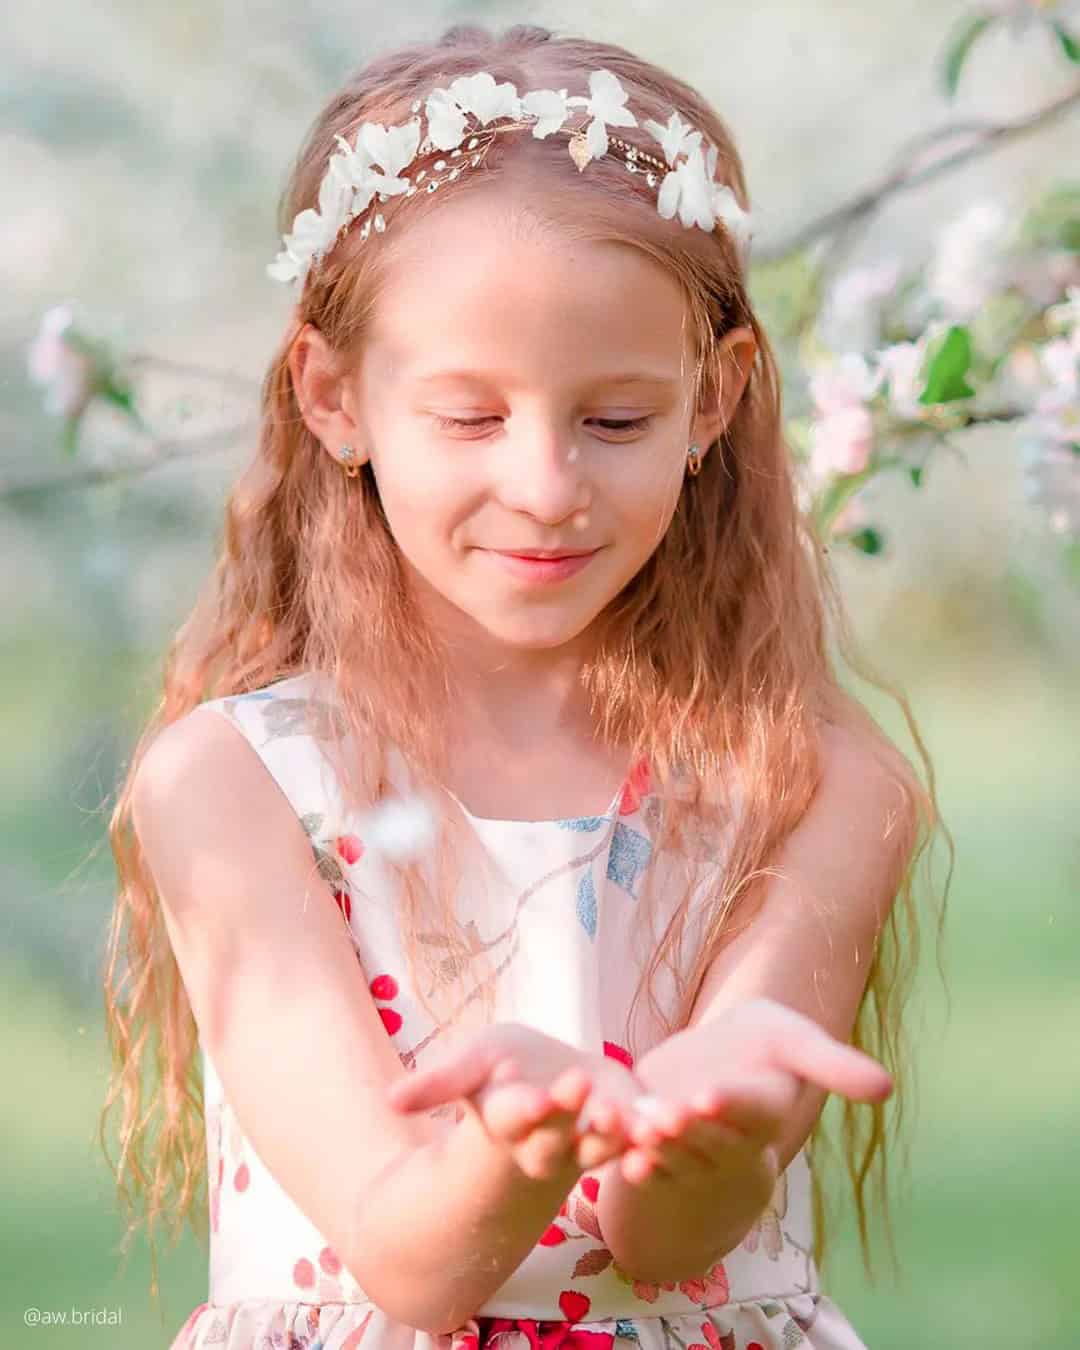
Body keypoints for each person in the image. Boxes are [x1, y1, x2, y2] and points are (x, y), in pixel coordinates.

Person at [101, 21, 950, 1350]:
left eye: (616, 419)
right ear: (334, 396)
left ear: (713, 402)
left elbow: (671, 1237)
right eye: (470, 415)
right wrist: (527, 1136)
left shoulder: (813, 785)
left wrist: (710, 1131)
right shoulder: (231, 783)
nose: (547, 485)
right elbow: (412, 1263)